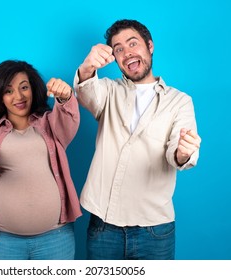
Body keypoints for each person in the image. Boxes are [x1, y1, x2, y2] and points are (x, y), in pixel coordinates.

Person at [74, 19, 201, 260]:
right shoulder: (108, 90)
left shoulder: (180, 101)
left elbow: (177, 150)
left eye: (133, 43)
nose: (127, 52)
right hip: (103, 225)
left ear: (150, 46)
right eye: (118, 49)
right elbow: (85, 91)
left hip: (155, 230)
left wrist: (183, 153)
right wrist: (88, 66)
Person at [0, 60, 82, 260]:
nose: (19, 97)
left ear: (33, 88)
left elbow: (68, 116)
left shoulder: (49, 123)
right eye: (8, 91)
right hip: (3, 243)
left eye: (24, 87)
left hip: (56, 239)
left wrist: (65, 97)